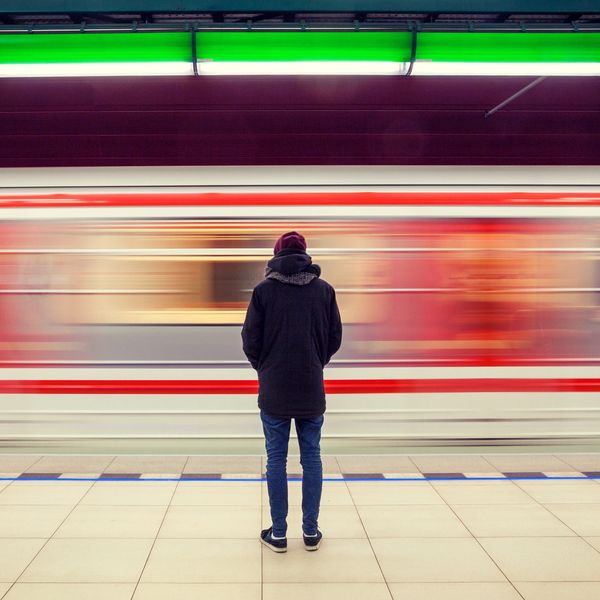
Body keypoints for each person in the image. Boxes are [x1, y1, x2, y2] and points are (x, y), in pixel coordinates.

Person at [241, 231, 342, 553]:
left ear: (276, 255)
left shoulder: (263, 291)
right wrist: (315, 361)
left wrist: (265, 367)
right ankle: (311, 532)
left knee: (276, 460)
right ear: (306, 256)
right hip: (311, 383)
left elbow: (249, 339)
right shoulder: (324, 290)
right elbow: (334, 337)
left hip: (274, 387)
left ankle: (280, 534)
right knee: (312, 458)